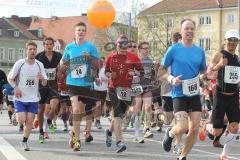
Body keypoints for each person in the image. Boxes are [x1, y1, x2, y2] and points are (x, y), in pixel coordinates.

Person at [161, 19, 207, 160]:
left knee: (194, 129)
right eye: (186, 28)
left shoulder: (199, 51)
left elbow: (203, 71)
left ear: (194, 31)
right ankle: (169, 133)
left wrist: (204, 77)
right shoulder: (173, 49)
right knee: (182, 127)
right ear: (181, 31)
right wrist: (171, 79)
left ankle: (182, 156)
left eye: (192, 28)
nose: (189, 31)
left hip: (194, 93)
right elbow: (160, 72)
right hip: (179, 94)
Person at [60, 22, 99, 151]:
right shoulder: (69, 47)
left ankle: (72, 132)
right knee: (76, 110)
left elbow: (97, 64)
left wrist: (90, 58)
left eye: (83, 30)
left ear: (85, 33)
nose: (81, 32)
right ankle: (77, 140)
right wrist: (63, 66)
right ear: (75, 33)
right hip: (72, 83)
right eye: (78, 30)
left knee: (80, 112)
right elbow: (63, 61)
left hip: (86, 83)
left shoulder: (91, 47)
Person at [104, 34, 143, 153]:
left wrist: (134, 73)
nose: (123, 47)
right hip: (113, 88)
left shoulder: (133, 57)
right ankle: (119, 142)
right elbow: (106, 72)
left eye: (125, 45)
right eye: (120, 44)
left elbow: (141, 72)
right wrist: (110, 75)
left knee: (120, 115)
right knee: (117, 114)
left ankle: (109, 131)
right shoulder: (111, 57)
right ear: (117, 45)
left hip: (127, 89)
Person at [205, 29, 240, 160]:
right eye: (230, 40)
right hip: (220, 96)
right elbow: (209, 72)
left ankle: (224, 155)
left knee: (234, 126)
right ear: (225, 41)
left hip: (234, 96)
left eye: (235, 40)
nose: (232, 43)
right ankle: (206, 125)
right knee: (217, 131)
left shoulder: (237, 58)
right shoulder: (218, 55)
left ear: (238, 42)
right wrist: (219, 65)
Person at [7, 41, 47, 151]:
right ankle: (16, 115)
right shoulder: (20, 63)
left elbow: (45, 83)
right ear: (26, 51)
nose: (32, 51)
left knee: (29, 121)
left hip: (33, 98)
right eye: (30, 49)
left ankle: (25, 141)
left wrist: (42, 79)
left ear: (36, 51)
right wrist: (15, 87)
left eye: (34, 49)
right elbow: (10, 78)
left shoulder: (40, 65)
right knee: (21, 119)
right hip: (20, 98)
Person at [35, 37, 62, 143]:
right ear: (44, 45)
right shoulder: (39, 57)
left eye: (51, 44)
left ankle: (50, 120)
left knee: (55, 106)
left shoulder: (58, 56)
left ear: (53, 45)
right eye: (47, 44)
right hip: (41, 86)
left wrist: (61, 71)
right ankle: (42, 131)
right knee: (41, 110)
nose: (49, 46)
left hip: (54, 86)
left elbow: (64, 65)